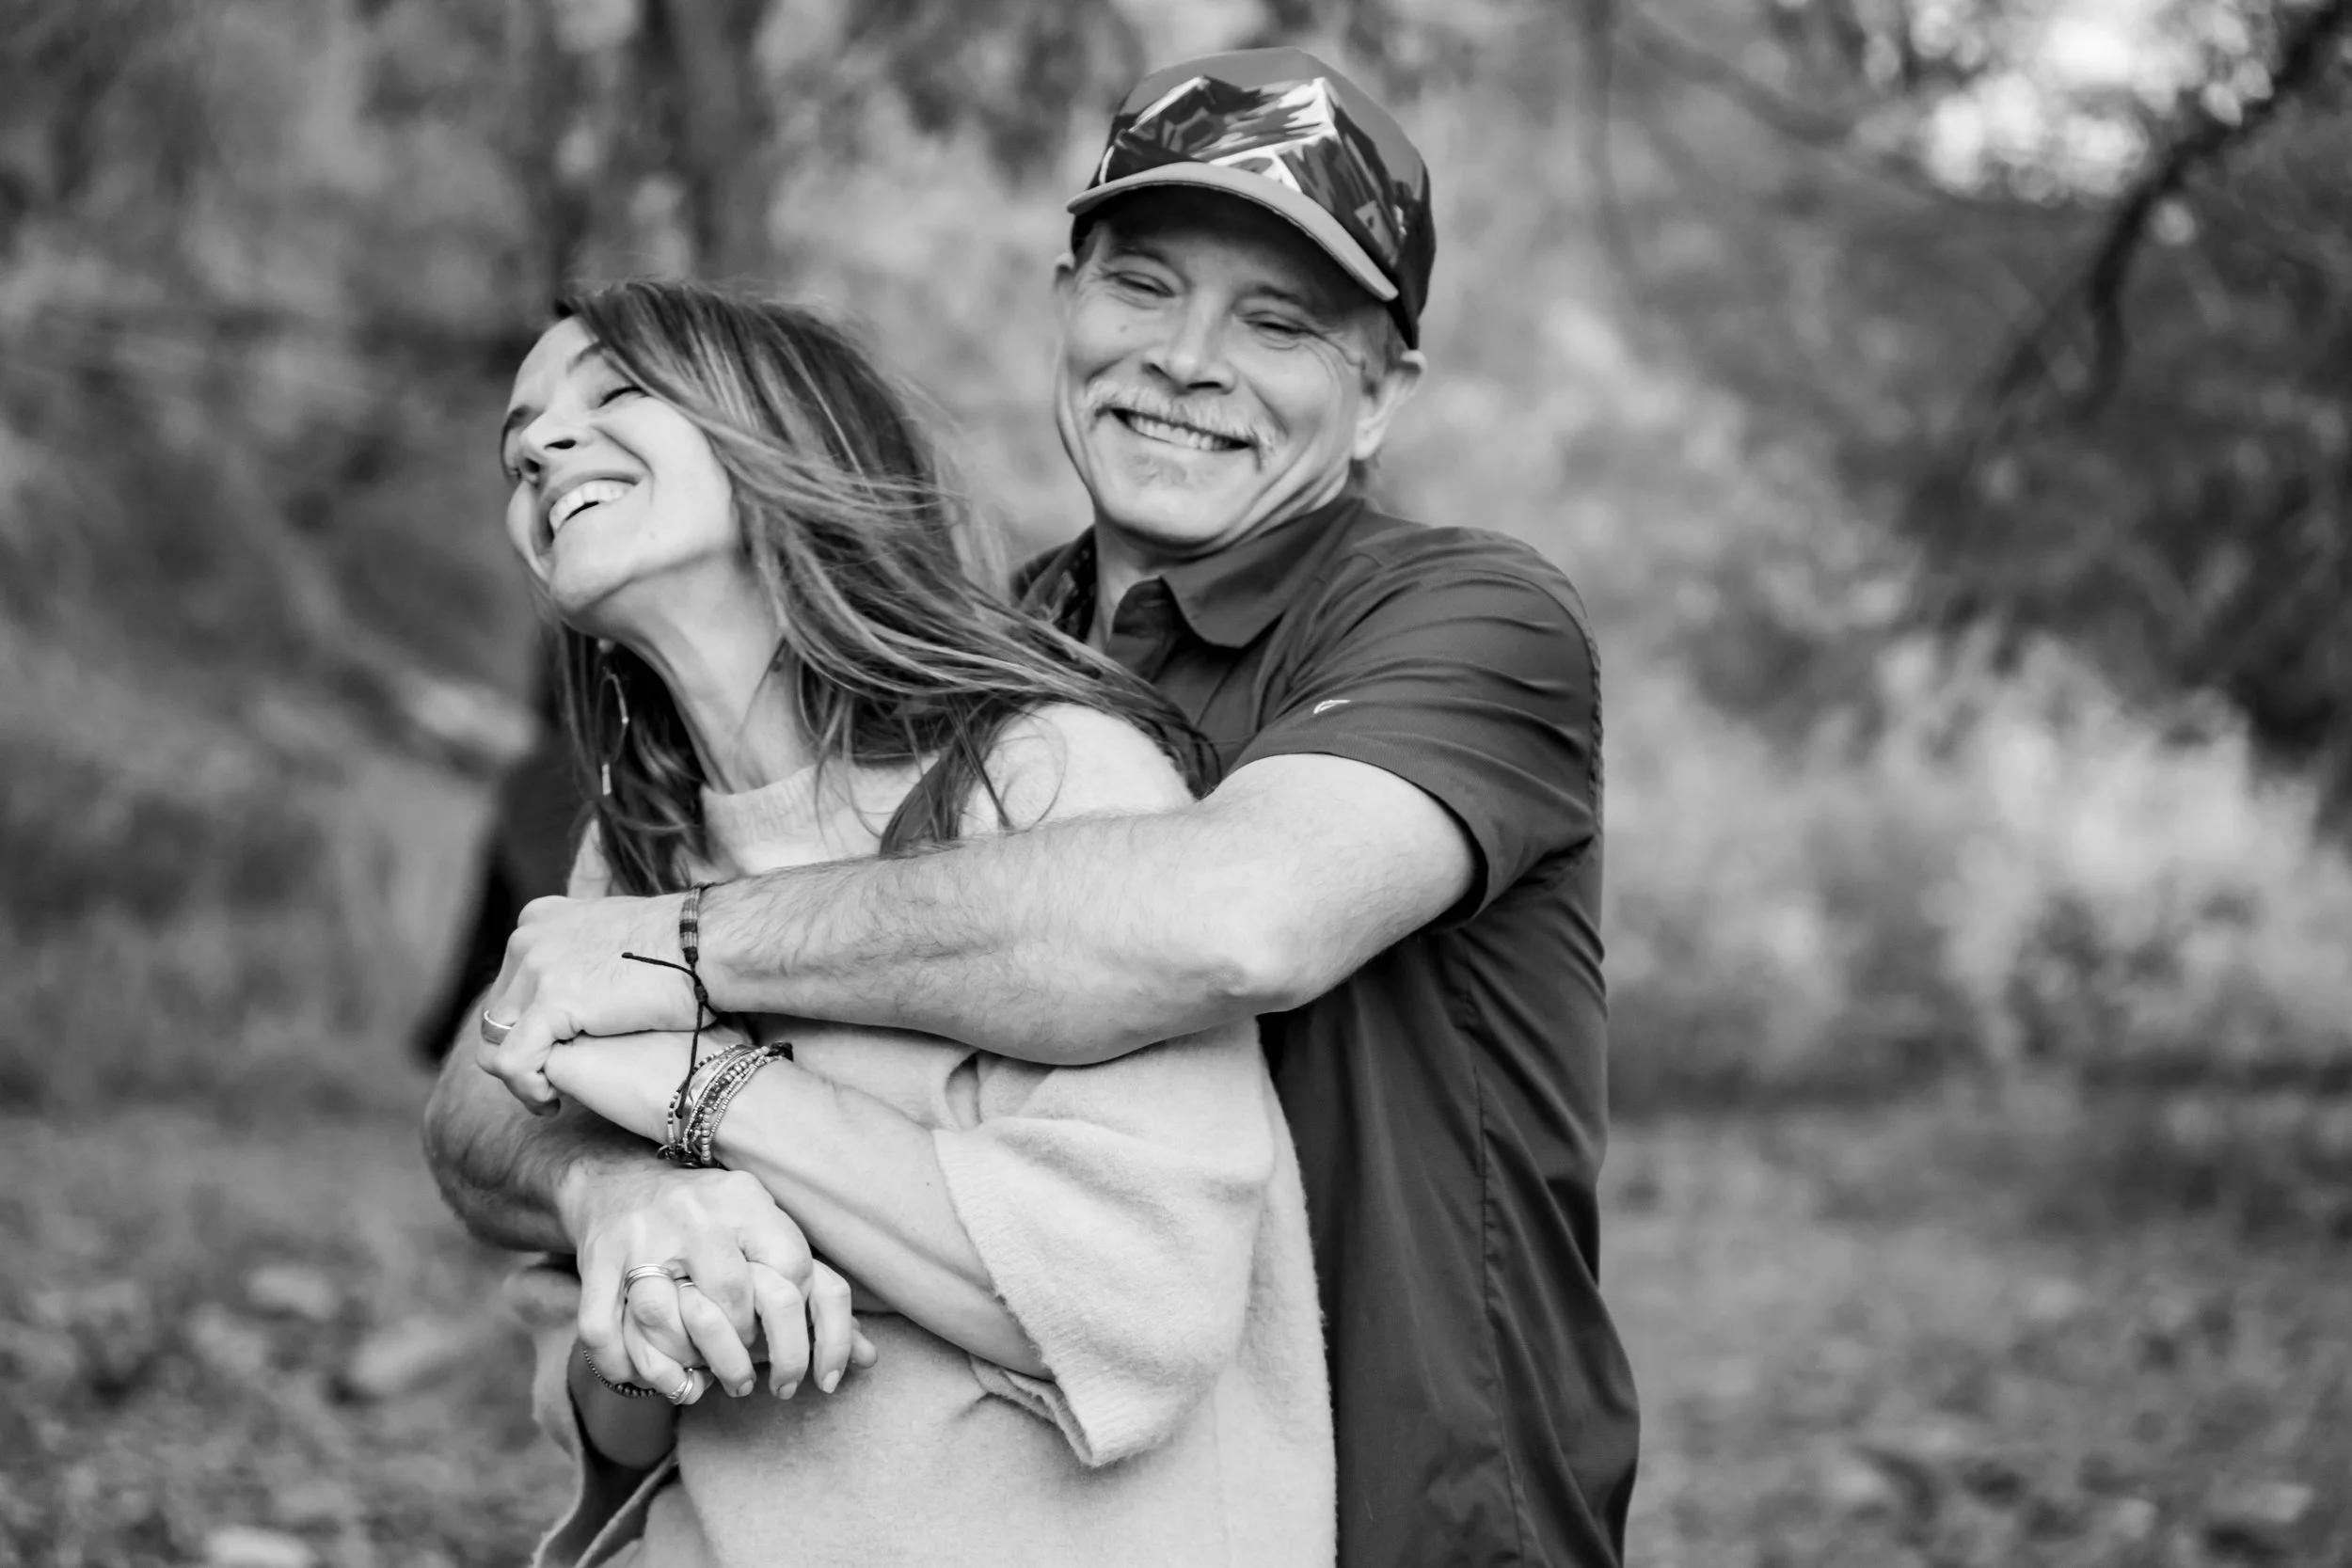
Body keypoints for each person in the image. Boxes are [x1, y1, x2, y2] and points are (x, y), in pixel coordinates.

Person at [441, 47, 1639, 1568]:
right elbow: (504, 1068)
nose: (1188, 358)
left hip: (1425, 1504)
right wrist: (611, 1186)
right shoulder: (959, 674)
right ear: (1066, 299)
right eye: (1144, 287)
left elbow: (1231, 923)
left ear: (1382, 394)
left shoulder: (1465, 618)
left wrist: (673, 967)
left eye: (1276, 321)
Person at [443, 278, 1331, 1566]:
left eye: (615, 395)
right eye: (520, 435)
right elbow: (617, 1430)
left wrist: (702, 1086)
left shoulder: (1048, 781)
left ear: (787, 446)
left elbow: (1139, 1300)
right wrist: (647, 1290)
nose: (538, 445)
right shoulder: (627, 866)